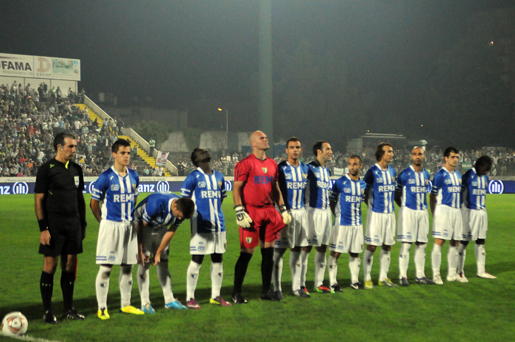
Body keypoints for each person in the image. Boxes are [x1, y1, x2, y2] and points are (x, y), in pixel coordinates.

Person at [231, 130, 291, 304]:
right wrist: (239, 210)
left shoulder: (273, 164)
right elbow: (237, 189)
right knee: (246, 253)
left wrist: (283, 208)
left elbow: (275, 188)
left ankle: (266, 291)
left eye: (266, 137)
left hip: (269, 211)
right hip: (252, 212)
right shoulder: (246, 164)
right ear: (253, 143)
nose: (266, 139)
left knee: (268, 253)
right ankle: (236, 293)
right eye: (262, 138)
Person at [35, 132, 87, 323]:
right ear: (59, 147)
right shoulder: (46, 169)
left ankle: (68, 309)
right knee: (51, 264)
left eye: (75, 146)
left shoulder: (76, 169)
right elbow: (39, 200)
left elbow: (79, 198)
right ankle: (48, 311)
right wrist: (43, 228)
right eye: (70, 146)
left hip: (73, 224)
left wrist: (83, 224)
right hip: (54, 224)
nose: (74, 150)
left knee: (70, 264)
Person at [91, 139, 142, 320]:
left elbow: (134, 199)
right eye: (122, 153)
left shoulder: (134, 176)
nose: (126, 156)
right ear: (114, 154)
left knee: (128, 267)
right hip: (110, 226)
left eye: (128, 153)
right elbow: (94, 203)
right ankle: (102, 308)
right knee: (106, 269)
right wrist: (103, 222)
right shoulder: (105, 177)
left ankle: (126, 305)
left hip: (128, 227)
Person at [181, 148, 231, 309]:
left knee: (218, 259)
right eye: (203, 160)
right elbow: (185, 202)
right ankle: (190, 297)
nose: (206, 162)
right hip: (200, 225)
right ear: (196, 163)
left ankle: (215, 295)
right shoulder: (192, 178)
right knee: (197, 259)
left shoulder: (219, 177)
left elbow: (221, 198)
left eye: (208, 159)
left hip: (219, 225)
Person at [133, 193, 195, 313]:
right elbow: (141, 226)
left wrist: (158, 252)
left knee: (163, 261)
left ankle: (169, 300)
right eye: (180, 216)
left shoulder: (181, 209)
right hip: (141, 226)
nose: (180, 219)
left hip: (160, 227)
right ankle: (144, 303)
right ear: (175, 206)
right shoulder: (156, 205)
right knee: (144, 262)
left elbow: (172, 230)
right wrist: (140, 251)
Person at [273, 137, 311, 299]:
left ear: (301, 150)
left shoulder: (305, 168)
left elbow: (308, 191)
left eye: (298, 147)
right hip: (284, 215)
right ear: (286, 150)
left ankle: (296, 288)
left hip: (301, 213)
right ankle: (277, 288)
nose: (295, 150)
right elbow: (274, 191)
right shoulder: (280, 168)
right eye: (292, 147)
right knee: (279, 251)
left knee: (297, 250)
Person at [395, 148, 435, 286]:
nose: (417, 157)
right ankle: (403, 276)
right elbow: (397, 194)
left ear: (424, 156)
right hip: (408, 212)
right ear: (411, 157)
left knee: (422, 245)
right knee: (406, 245)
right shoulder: (405, 174)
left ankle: (420, 275)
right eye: (415, 154)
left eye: (420, 154)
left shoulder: (426, 173)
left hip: (422, 212)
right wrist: (404, 208)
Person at [328, 155, 367, 291]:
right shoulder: (340, 182)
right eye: (350, 164)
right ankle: (333, 282)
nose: (352, 167)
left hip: (357, 224)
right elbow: (332, 201)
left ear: (360, 166)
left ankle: (355, 281)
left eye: (355, 164)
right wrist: (338, 216)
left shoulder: (363, 184)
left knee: (355, 253)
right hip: (342, 223)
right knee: (336, 252)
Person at [363, 142, 398, 289]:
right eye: (389, 151)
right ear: (381, 154)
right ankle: (367, 278)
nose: (392, 154)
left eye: (392, 151)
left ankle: (383, 277)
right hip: (376, 214)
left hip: (390, 214)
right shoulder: (371, 172)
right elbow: (364, 191)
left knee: (387, 246)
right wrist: (371, 206)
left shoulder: (392, 171)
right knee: (372, 246)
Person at [458, 156, 497, 280]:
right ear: (479, 166)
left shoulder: (485, 177)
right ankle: (459, 272)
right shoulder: (468, 176)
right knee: (464, 242)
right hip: (469, 212)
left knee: (481, 241)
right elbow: (459, 193)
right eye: (485, 169)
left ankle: (481, 270)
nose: (486, 172)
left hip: (482, 212)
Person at [303, 140, 334, 294]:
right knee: (306, 247)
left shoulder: (327, 170)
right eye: (328, 149)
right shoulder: (308, 168)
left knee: (323, 248)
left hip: (326, 212)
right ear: (319, 152)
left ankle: (319, 283)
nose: (331, 151)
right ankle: (301, 283)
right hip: (312, 212)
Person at [430, 147, 464, 285]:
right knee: (440, 241)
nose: (455, 159)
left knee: (455, 242)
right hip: (444, 210)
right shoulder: (440, 175)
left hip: (457, 211)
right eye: (452, 157)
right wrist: (434, 214)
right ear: (446, 158)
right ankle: (436, 274)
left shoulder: (458, 175)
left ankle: (451, 273)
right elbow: (432, 196)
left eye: (457, 157)